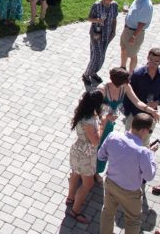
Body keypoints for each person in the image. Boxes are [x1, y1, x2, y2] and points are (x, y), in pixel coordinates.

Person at [98, 113, 159, 234]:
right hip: (130, 193)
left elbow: (101, 155)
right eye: (149, 131)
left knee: (107, 212)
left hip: (111, 184)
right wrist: (152, 154)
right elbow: (149, 176)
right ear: (144, 130)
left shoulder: (113, 136)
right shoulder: (144, 152)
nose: (149, 133)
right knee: (133, 220)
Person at [95, 67, 160, 176]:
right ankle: (89, 171)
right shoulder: (102, 89)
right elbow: (95, 108)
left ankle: (97, 172)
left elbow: (137, 102)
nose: (129, 82)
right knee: (95, 144)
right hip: (99, 122)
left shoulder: (125, 87)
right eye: (127, 80)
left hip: (109, 124)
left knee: (104, 146)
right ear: (119, 82)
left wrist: (151, 111)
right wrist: (106, 115)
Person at [66, 90, 104, 224]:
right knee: (88, 184)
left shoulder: (82, 112)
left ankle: (70, 198)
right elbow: (95, 141)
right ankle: (75, 211)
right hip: (85, 155)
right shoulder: (89, 121)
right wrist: (102, 125)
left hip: (77, 150)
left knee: (75, 174)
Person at [124, 48, 160, 145]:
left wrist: (156, 102)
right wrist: (128, 114)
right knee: (128, 141)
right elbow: (128, 94)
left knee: (144, 142)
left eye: (156, 61)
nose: (152, 63)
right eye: (150, 60)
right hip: (135, 114)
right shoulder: (137, 74)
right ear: (147, 58)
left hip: (150, 116)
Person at [83, 0, 119, 85]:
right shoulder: (97, 5)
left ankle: (93, 72)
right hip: (96, 34)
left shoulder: (114, 5)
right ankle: (86, 75)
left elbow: (115, 19)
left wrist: (114, 31)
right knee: (97, 56)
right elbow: (89, 18)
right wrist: (97, 20)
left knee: (101, 56)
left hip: (107, 35)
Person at [120, 0, 153, 73]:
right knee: (123, 49)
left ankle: (131, 75)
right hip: (127, 30)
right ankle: (122, 68)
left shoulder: (146, 5)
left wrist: (134, 36)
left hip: (134, 33)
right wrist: (128, 11)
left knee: (132, 54)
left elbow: (142, 23)